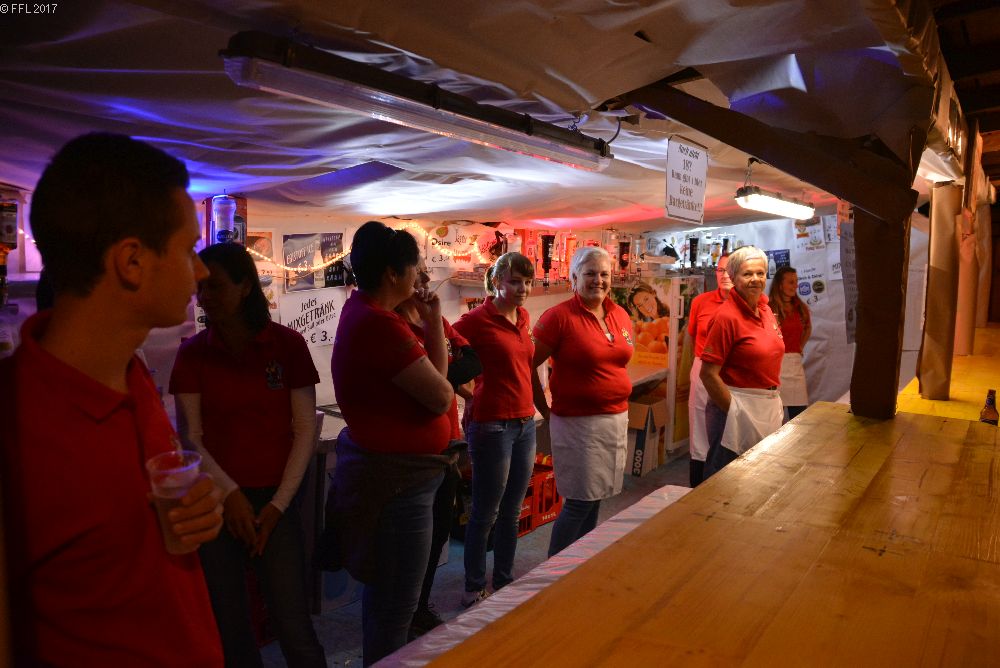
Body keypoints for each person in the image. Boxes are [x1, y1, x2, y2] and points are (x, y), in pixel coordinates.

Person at [0, 133, 224, 666]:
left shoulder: (131, 372)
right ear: (132, 261)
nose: (202, 271)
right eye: (188, 249)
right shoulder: (15, 420)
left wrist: (198, 512)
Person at [169, 243, 326, 668]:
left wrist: (278, 505)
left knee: (293, 626)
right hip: (217, 504)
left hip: (278, 502)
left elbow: (304, 429)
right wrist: (231, 495)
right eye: (200, 288)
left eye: (215, 287)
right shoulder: (192, 353)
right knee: (231, 628)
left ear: (244, 288)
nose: (204, 297)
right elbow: (191, 438)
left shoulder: (287, 345)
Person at [328, 221, 455, 666]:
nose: (419, 276)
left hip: (401, 479)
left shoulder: (367, 312)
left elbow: (438, 381)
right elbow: (442, 396)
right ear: (392, 274)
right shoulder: (378, 324)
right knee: (396, 606)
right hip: (398, 485)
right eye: (414, 268)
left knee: (388, 600)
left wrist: (433, 320)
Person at [393, 259, 481, 637]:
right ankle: (402, 613)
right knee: (412, 539)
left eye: (427, 272)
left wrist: (440, 375)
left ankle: (420, 605)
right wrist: (443, 375)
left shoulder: (437, 321)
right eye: (419, 272)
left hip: (448, 442)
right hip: (416, 452)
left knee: (440, 530)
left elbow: (472, 361)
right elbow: (434, 380)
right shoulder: (395, 326)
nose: (426, 279)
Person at [532, 246, 634, 556]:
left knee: (596, 497)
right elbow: (526, 364)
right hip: (578, 425)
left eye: (604, 274)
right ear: (574, 278)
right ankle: (554, 572)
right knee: (578, 501)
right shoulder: (558, 317)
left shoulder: (619, 313)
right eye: (590, 273)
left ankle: (578, 563)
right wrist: (543, 409)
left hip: (614, 420)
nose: (598, 280)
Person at [453, 252, 537, 607]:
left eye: (528, 282)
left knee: (513, 510)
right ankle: (473, 588)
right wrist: (469, 393)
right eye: (515, 282)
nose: (523, 289)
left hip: (525, 422)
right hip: (492, 426)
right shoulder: (475, 320)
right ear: (498, 282)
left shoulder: (523, 317)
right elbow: (444, 356)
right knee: (486, 512)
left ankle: (503, 579)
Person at [699, 246, 785, 480]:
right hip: (736, 405)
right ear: (734, 277)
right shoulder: (726, 317)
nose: (755, 279)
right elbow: (708, 374)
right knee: (725, 479)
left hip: (766, 405)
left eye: (760, 273)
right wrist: (736, 412)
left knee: (759, 478)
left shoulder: (766, 310)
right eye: (747, 274)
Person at [685, 254, 732, 487]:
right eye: (720, 270)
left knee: (730, 429)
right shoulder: (701, 302)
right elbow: (694, 334)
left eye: (730, 270)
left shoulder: (750, 302)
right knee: (699, 429)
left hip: (732, 372)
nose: (725, 275)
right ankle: (697, 486)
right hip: (703, 366)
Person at [768, 266, 812, 420]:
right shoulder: (769, 308)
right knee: (775, 417)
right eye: (791, 282)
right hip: (775, 366)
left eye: (796, 282)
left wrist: (800, 346)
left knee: (799, 416)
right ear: (780, 285)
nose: (795, 286)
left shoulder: (800, 307)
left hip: (795, 365)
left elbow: (808, 328)